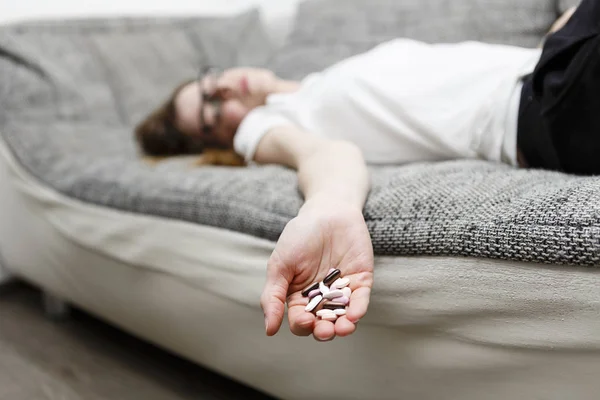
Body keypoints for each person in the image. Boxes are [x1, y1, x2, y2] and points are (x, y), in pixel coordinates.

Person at [135, 1, 595, 341]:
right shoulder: (264, 127)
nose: (225, 91)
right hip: (541, 109)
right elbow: (322, 155)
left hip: (549, 68)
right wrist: (328, 209)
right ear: (220, 141)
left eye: (210, 82)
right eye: (213, 112)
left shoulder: (317, 83)